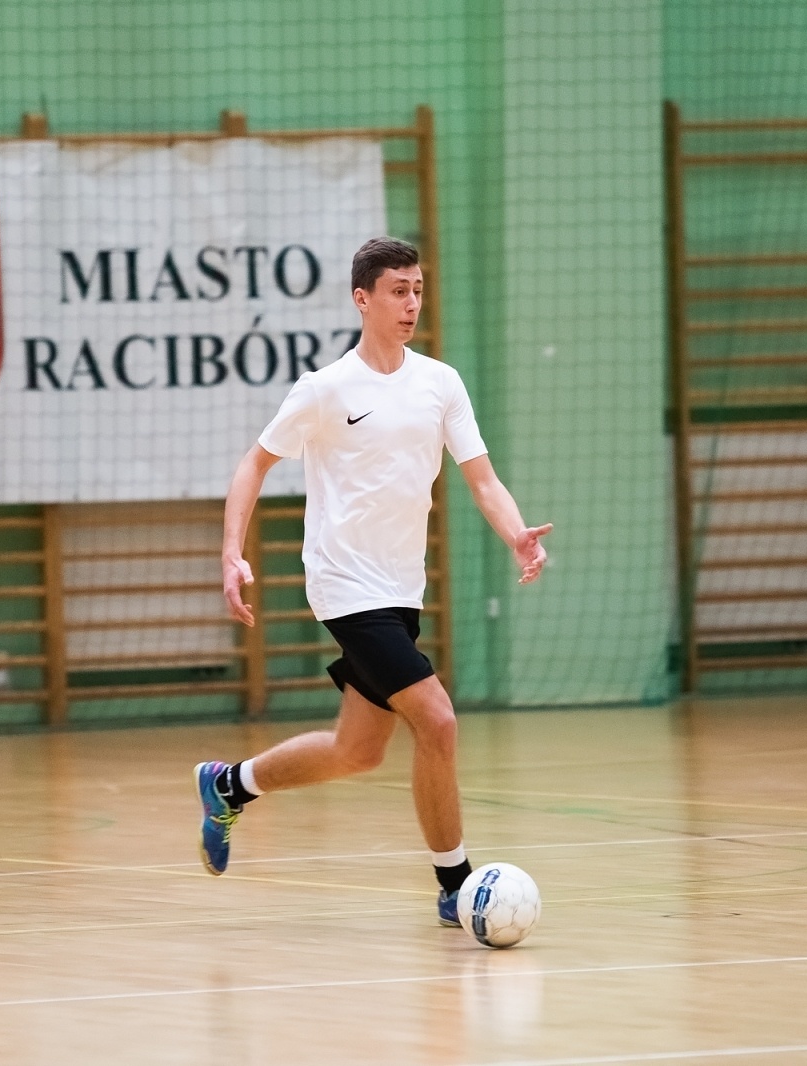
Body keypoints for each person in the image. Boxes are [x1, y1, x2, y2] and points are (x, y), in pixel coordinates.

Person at [192, 236, 553, 923]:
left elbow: (482, 478)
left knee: (356, 751)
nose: (411, 302)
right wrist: (231, 552)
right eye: (397, 290)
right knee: (438, 721)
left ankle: (229, 787)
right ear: (363, 298)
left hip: (399, 588)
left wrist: (516, 534)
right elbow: (252, 465)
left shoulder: (440, 383)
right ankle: (457, 887)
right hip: (343, 586)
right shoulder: (325, 390)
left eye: (417, 289)